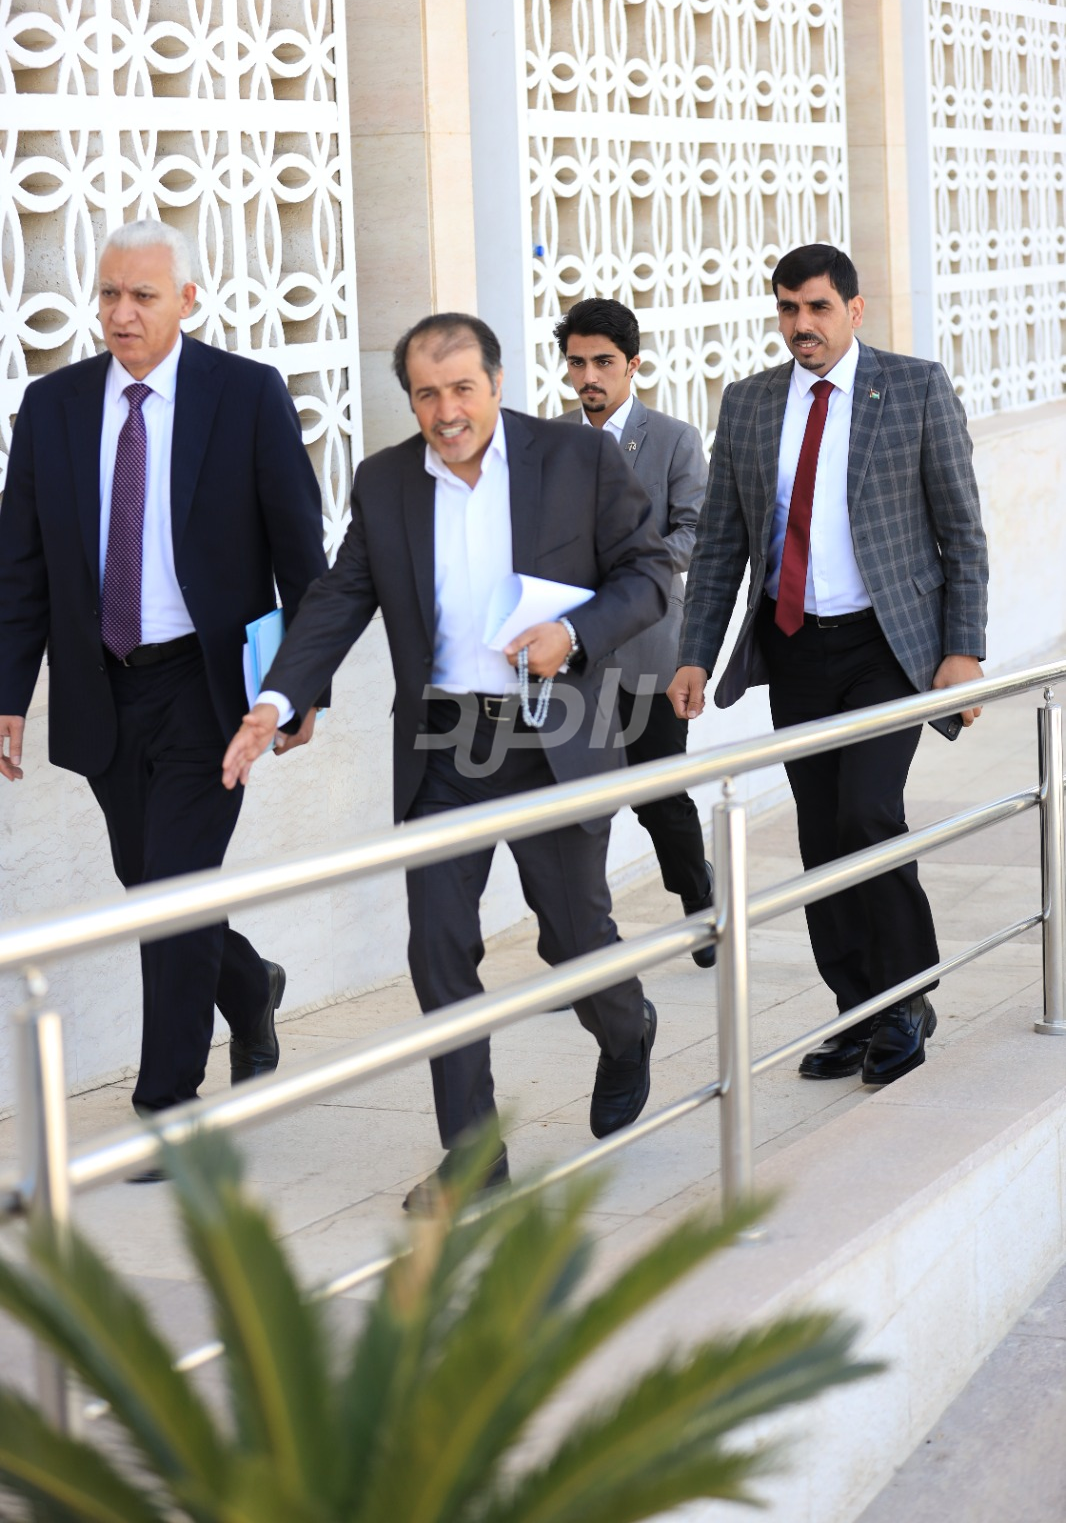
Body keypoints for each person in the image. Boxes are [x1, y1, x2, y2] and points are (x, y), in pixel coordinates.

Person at [222, 312, 672, 1211]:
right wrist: (275, 699)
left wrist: (575, 634)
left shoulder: (576, 459)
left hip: (549, 737)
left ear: (496, 384)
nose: (447, 410)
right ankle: (473, 1157)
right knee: (437, 950)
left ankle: (627, 1031)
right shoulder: (386, 482)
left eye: (463, 388)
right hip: (442, 748)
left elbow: (650, 574)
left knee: (574, 938)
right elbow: (338, 599)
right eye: (427, 394)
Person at [0, 219, 328, 1154]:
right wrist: (9, 692)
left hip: (206, 687)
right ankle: (249, 985)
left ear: (187, 300)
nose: (121, 313)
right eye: (108, 293)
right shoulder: (52, 406)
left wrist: (299, 685)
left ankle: (167, 1109)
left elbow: (301, 551)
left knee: (173, 892)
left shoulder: (246, 394)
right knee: (150, 884)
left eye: (142, 295)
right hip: (102, 687)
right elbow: (20, 565)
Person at [669, 244, 988, 1085]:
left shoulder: (915, 387)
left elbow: (962, 531)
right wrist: (695, 653)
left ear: (854, 309)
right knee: (819, 832)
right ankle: (858, 1008)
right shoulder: (748, 403)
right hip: (796, 645)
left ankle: (907, 998)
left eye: (816, 307)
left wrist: (963, 650)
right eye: (787, 308)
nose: (800, 324)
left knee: (867, 815)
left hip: (888, 645)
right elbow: (720, 546)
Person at [554, 297, 715, 967]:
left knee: (660, 799)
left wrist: (629, 569)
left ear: (633, 365)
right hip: (574, 657)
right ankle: (578, 947)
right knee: (574, 808)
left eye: (603, 362)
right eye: (577, 363)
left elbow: (696, 531)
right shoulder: (551, 440)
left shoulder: (674, 439)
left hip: (650, 647)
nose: (588, 376)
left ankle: (701, 901)